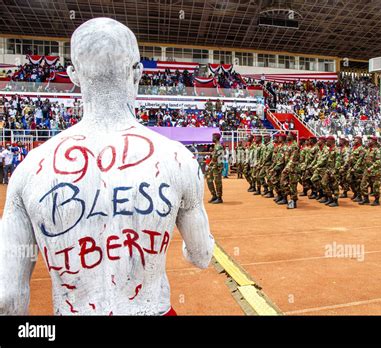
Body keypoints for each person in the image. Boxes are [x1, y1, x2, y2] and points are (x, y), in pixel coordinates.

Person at [0, 18, 214, 316]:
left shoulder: (29, 169)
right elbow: (202, 256)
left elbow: (7, 295)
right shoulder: (178, 158)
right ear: (137, 71)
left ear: (73, 74)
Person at [359, 136, 381, 206]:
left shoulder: (377, 151)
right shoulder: (368, 150)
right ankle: (366, 199)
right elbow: (364, 160)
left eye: (370, 140)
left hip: (375, 171)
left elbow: (378, 161)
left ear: (374, 142)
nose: (368, 142)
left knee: (375, 186)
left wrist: (371, 168)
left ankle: (376, 200)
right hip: (367, 171)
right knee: (363, 185)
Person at [279, 132, 300, 209]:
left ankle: (293, 202)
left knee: (292, 186)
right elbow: (283, 158)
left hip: (292, 170)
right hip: (286, 169)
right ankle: (288, 199)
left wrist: (285, 169)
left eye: (289, 135)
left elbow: (292, 160)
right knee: (283, 183)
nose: (287, 136)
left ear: (293, 137)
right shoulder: (288, 146)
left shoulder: (295, 146)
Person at [206, 133, 224, 203]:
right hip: (212, 166)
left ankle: (219, 198)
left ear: (216, 137)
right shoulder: (215, 146)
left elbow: (220, 158)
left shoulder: (219, 146)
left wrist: (219, 167)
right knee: (209, 180)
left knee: (217, 182)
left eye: (213, 137)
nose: (212, 138)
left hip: (217, 167)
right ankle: (214, 195)